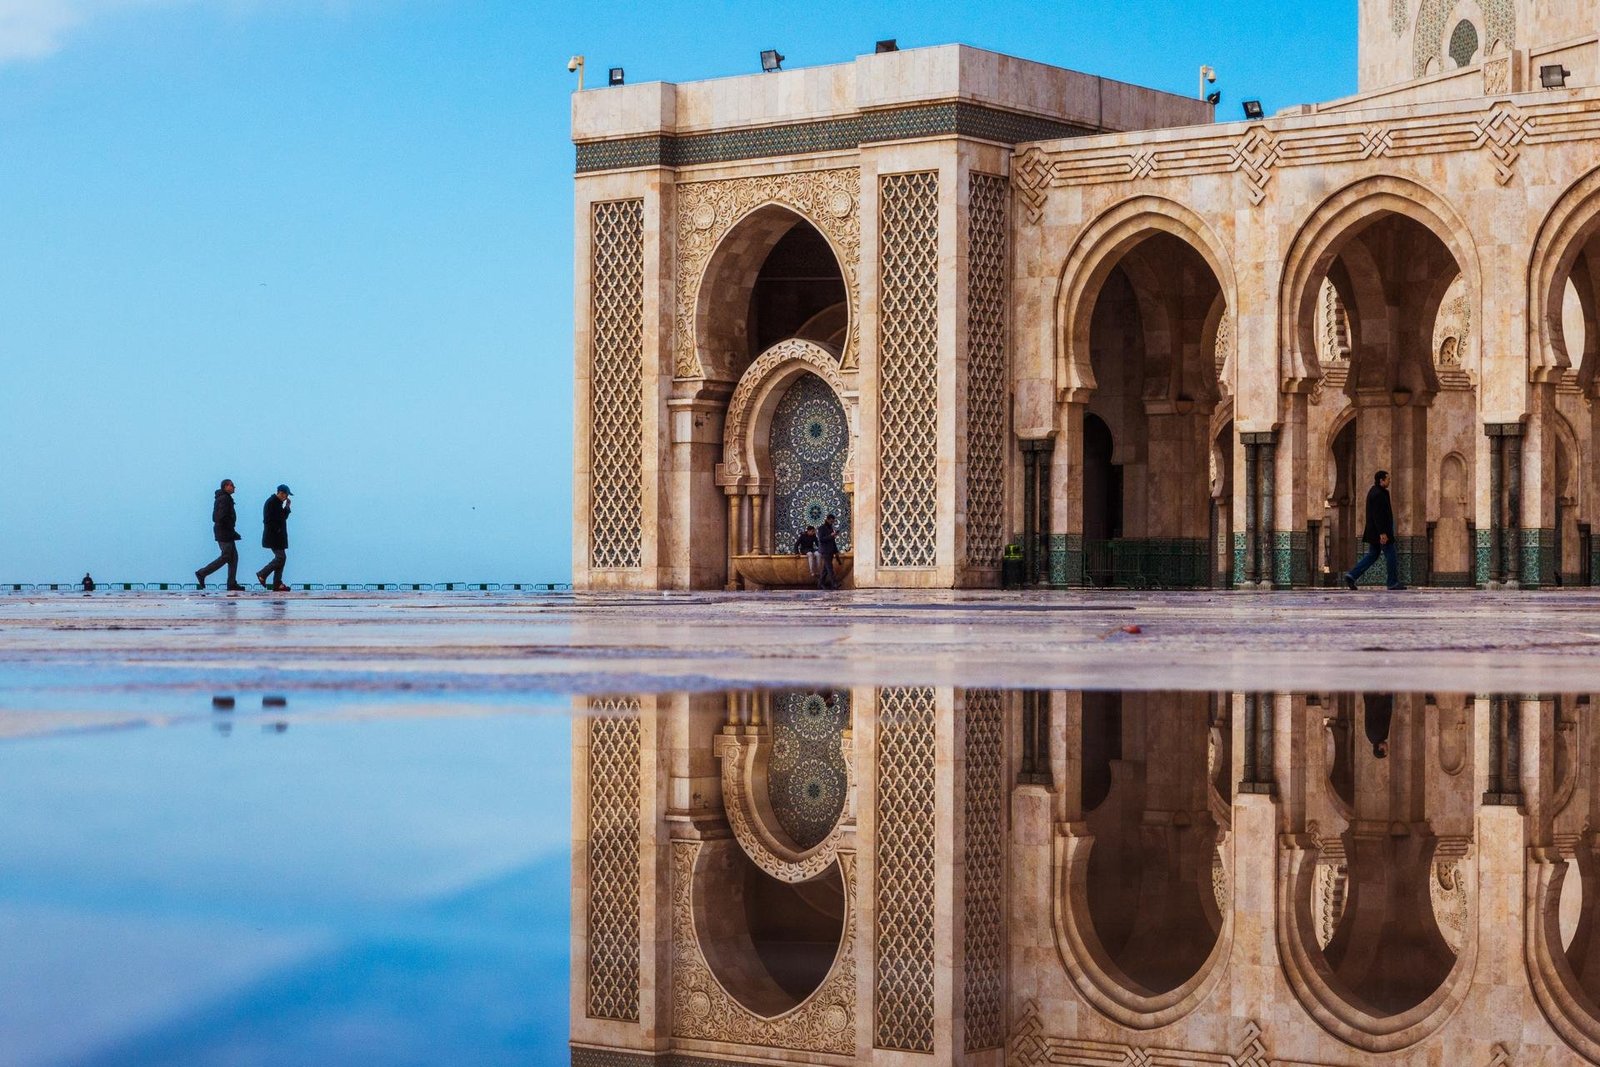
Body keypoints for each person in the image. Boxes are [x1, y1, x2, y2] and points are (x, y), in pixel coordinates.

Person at [1343, 470, 1406, 591]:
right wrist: (1383, 533)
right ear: (1381, 480)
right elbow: (1378, 515)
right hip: (1381, 532)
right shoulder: (1378, 494)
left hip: (1375, 531)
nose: (1389, 481)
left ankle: (1352, 575)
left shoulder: (1378, 492)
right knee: (1391, 554)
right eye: (1387, 479)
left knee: (1372, 555)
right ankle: (1392, 582)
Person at [195, 479, 244, 591]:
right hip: (224, 532)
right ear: (226, 486)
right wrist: (230, 529)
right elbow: (220, 517)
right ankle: (202, 573)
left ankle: (232, 583)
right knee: (226, 556)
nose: (234, 487)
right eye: (232, 485)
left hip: (226, 531)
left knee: (234, 558)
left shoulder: (223, 498)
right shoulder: (224, 499)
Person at [255, 484, 293, 591]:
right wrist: (277, 530)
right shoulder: (272, 503)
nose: (286, 497)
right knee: (280, 557)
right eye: (286, 495)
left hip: (278, 536)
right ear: (281, 493)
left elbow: (282, 517)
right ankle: (262, 574)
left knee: (282, 558)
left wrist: (287, 507)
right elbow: (269, 520)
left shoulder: (277, 503)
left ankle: (277, 583)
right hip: (274, 536)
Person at [1364, 693, 1394, 759]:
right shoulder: (1375, 737)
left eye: (1386, 749)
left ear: (1380, 748)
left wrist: (1382, 696)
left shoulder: (1377, 734)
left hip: (1378, 696)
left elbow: (1377, 713)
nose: (1387, 747)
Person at [817, 514, 840, 590]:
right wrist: (831, 535)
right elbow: (821, 539)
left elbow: (833, 542)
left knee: (825, 569)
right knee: (830, 568)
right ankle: (834, 583)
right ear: (827, 519)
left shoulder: (830, 528)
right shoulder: (821, 528)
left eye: (833, 521)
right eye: (831, 521)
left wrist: (836, 551)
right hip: (825, 551)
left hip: (830, 551)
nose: (832, 522)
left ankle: (820, 584)